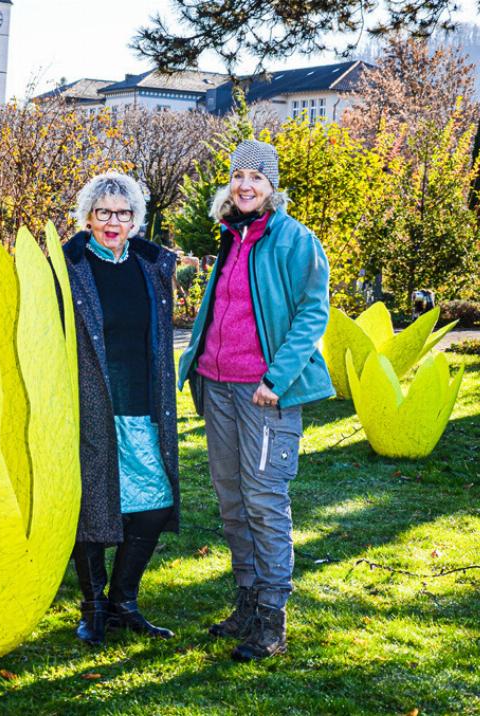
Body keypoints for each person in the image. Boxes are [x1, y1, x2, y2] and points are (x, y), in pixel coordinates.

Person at [178, 139, 335, 662]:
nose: (246, 185)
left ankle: (272, 620)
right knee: (231, 499)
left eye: (257, 177)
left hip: (265, 394)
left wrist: (277, 378)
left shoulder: (295, 240)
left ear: (272, 186)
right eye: (239, 175)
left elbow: (313, 315)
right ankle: (246, 602)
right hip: (217, 386)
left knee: (265, 503)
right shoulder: (231, 236)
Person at [63, 171, 180, 646]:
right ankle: (92, 607)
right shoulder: (69, 267)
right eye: (103, 212)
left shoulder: (151, 266)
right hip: (88, 400)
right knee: (91, 504)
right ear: (88, 217)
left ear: (136, 219)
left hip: (143, 403)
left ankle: (123, 602)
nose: (113, 221)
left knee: (155, 504)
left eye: (123, 212)